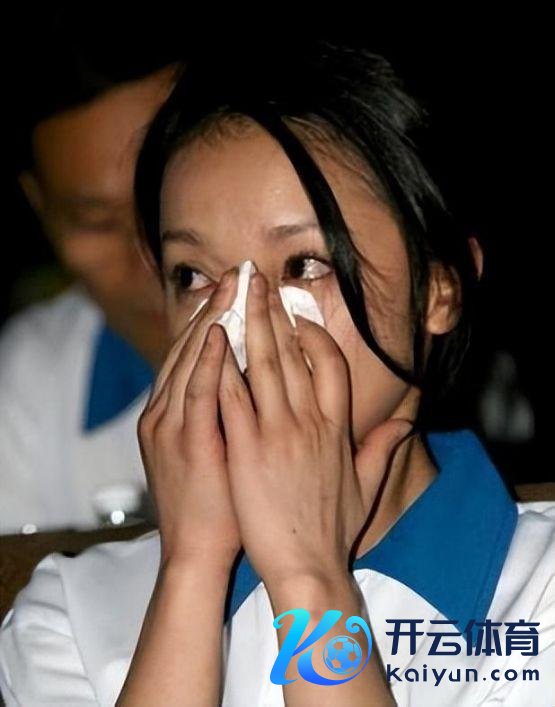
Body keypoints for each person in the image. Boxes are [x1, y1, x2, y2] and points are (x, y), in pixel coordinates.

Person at [1, 40, 553, 705]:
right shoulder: (73, 612)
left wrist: (309, 581)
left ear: (439, 288)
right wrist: (191, 571)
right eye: (194, 276)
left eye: (303, 265)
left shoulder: (538, 593)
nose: (240, 318)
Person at [0, 10, 181, 534]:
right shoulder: (33, 383)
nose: (152, 258)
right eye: (97, 222)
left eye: (169, 203)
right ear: (40, 207)